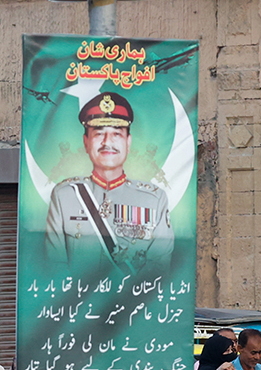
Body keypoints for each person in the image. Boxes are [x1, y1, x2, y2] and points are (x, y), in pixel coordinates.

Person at [45, 92, 174, 274]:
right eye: (99, 134)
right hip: (77, 300)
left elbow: (158, 268)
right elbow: (54, 267)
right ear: (86, 142)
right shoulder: (64, 195)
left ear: (128, 143)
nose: (107, 142)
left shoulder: (154, 199)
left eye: (116, 134)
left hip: (132, 300)